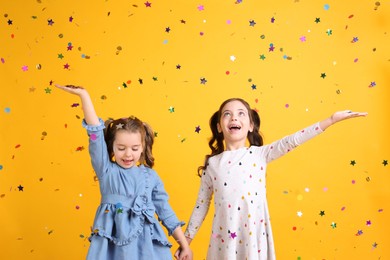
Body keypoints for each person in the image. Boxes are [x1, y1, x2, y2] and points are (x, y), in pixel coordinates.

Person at [178, 98, 367, 260]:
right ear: (219, 126)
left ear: (251, 125)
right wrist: (186, 242)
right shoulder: (213, 164)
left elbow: (292, 140)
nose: (234, 117)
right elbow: (201, 205)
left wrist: (331, 120)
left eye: (241, 113)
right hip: (225, 239)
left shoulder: (260, 154)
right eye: (227, 114)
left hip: (253, 236)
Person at [55, 84, 192, 260]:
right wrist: (84, 96)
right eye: (121, 148)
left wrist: (184, 244)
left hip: (148, 248)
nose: (128, 154)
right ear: (111, 147)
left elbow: (165, 211)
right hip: (113, 248)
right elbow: (95, 131)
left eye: (135, 148)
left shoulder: (150, 177)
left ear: (143, 147)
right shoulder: (106, 171)